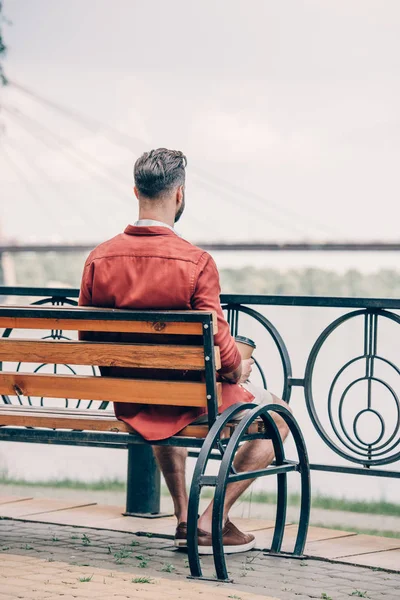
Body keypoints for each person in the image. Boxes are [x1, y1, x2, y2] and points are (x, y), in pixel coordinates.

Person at [79, 148, 291, 554]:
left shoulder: (98, 259)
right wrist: (238, 367)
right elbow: (221, 349)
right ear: (179, 195)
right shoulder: (196, 261)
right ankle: (210, 521)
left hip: (132, 398)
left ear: (135, 190)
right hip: (191, 397)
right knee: (278, 416)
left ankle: (182, 519)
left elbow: (87, 340)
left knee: (162, 398)